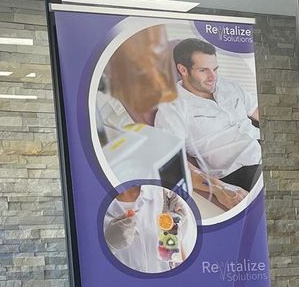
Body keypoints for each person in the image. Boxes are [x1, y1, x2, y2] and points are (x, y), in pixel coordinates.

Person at [153, 37, 262, 213]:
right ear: (183, 69)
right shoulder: (172, 108)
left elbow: (258, 111)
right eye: (203, 70)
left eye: (215, 69)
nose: (213, 77)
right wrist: (219, 189)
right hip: (240, 169)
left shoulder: (228, 86)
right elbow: (173, 164)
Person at [102, 184, 192, 274]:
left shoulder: (166, 197)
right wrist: (108, 246)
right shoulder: (93, 206)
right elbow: (93, 273)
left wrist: (174, 227)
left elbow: (183, 260)